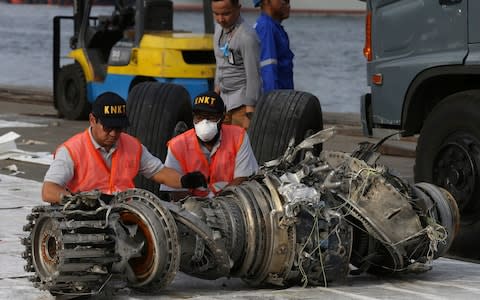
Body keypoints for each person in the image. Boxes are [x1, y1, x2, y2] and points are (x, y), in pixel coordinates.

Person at [42, 92, 206, 204]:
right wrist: (77, 201)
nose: (113, 134)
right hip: (87, 216)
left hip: (126, 211)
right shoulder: (71, 150)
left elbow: (159, 172)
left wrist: (184, 180)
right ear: (92, 120)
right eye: (108, 128)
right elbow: (48, 191)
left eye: (119, 128)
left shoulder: (132, 145)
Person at [160, 91, 258, 199]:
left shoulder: (238, 136)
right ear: (193, 117)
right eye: (199, 117)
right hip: (190, 208)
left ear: (223, 117)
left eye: (211, 117)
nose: (204, 123)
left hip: (231, 204)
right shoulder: (177, 145)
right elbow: (174, 190)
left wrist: (218, 202)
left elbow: (243, 178)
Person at [212, 0, 262, 129]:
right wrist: (216, 91)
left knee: (241, 146)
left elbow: (253, 75)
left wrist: (249, 112)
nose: (220, 19)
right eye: (216, 14)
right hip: (223, 102)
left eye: (226, 14)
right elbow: (220, 62)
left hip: (241, 105)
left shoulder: (247, 37)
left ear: (238, 9)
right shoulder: (219, 29)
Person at [253, 0, 294, 93]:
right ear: (267, 1)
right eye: (284, 0)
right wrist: (272, 102)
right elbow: (267, 68)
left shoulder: (273, 27)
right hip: (276, 100)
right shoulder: (266, 28)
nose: (288, 5)